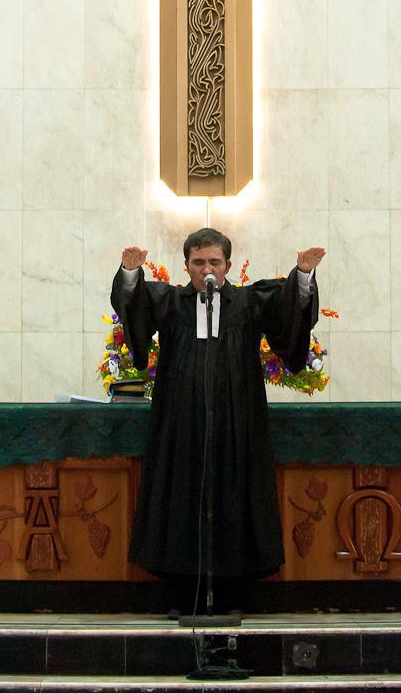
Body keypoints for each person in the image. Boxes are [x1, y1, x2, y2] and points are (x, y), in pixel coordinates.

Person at [111, 227, 324, 588]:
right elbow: (135, 306)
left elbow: (288, 311)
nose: (206, 269)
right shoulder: (171, 302)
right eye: (198, 262)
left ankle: (234, 586)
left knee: (235, 496)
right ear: (186, 266)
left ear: (227, 265)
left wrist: (303, 274)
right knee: (180, 494)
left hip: (237, 420)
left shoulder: (248, 302)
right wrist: (130, 273)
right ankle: (181, 584)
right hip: (180, 421)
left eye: (214, 261)